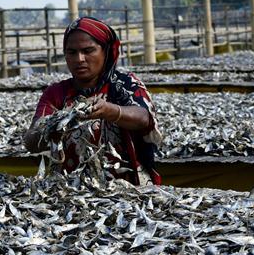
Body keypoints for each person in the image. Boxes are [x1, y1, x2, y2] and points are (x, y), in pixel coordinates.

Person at [23, 16, 162, 185]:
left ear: (106, 51)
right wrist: (52, 128)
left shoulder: (125, 84)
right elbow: (31, 141)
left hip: (127, 188)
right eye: (71, 52)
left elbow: (143, 118)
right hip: (69, 190)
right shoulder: (56, 93)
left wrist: (111, 111)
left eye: (88, 51)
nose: (79, 59)